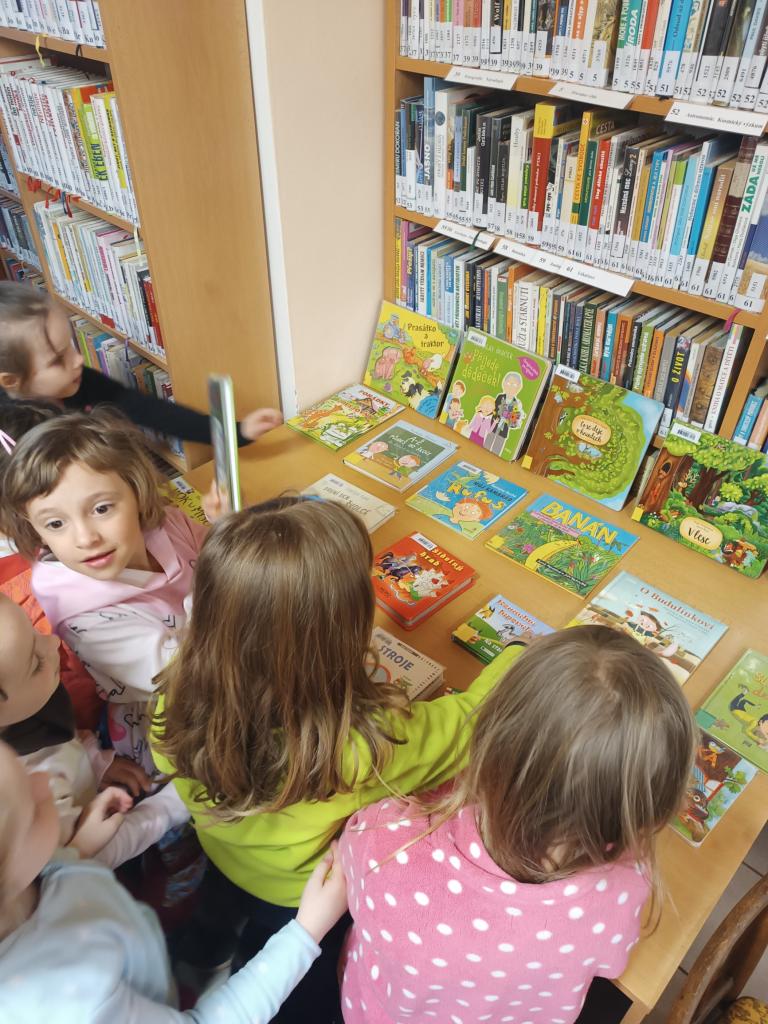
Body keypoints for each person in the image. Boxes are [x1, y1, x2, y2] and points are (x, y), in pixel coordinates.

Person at [152, 496, 520, 1023]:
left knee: (218, 912)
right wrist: (517, 656)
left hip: (222, 852)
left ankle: (201, 953)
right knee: (299, 980)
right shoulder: (361, 744)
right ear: (339, 629)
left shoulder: (174, 692)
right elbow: (470, 722)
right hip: (300, 897)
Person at [337, 626, 697, 1024]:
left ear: (486, 740)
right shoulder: (628, 882)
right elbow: (611, 964)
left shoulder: (385, 840)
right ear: (646, 812)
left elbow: (348, 866)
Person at [0, 739, 349, 1023]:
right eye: (32, 807)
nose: (41, 779)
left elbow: (56, 874)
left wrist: (79, 849)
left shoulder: (26, 878)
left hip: (141, 971)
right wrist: (306, 932)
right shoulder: (75, 1000)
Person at [0, 409, 209, 771]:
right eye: (55, 523)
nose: (85, 538)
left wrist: (226, 529)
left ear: (137, 489)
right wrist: (225, 586)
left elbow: (212, 554)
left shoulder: (167, 524)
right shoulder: (83, 617)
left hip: (228, 651)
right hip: (179, 722)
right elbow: (189, 676)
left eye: (101, 508)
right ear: (34, 529)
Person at [0, 591, 190, 868]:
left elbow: (60, 740)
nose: (53, 642)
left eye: (33, 630)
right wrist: (174, 803)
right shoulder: (29, 805)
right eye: (36, 663)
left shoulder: (25, 700)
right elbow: (91, 857)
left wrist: (95, 760)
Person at [0, 281, 282, 445]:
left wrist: (234, 432)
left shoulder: (82, 382)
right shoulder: (11, 435)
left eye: (72, 346)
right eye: (57, 360)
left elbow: (153, 411)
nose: (78, 360)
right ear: (10, 380)